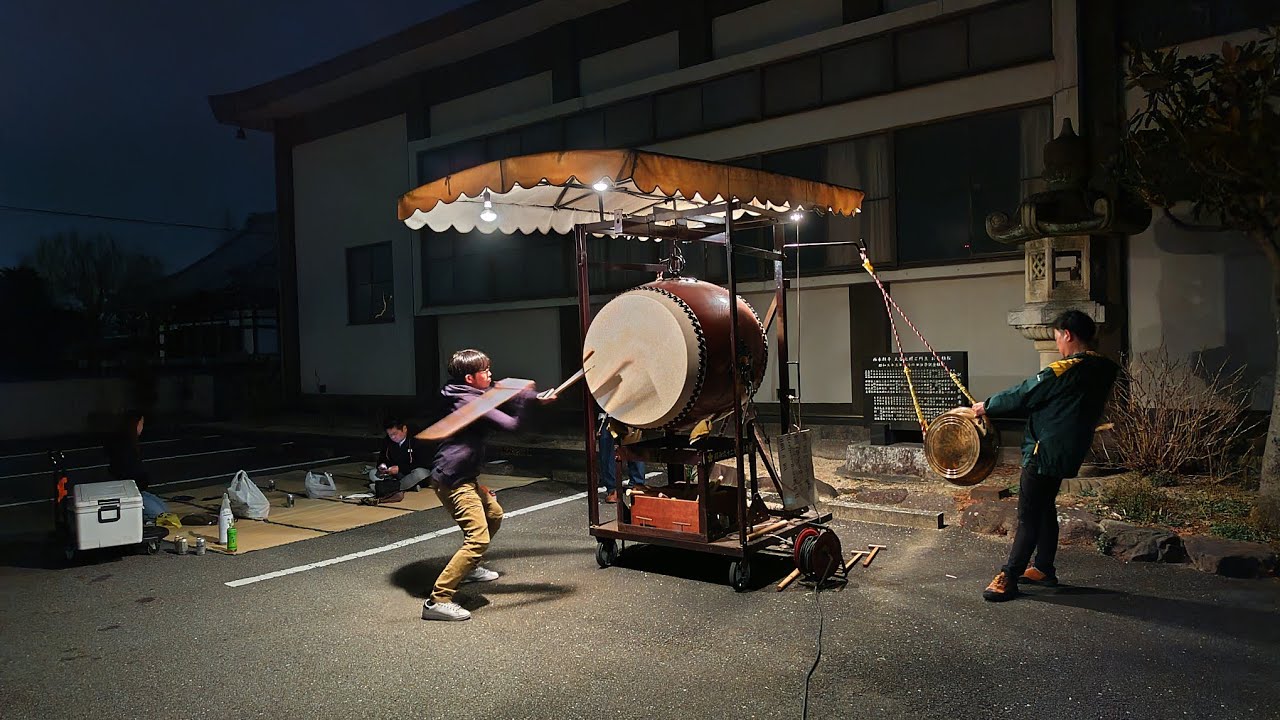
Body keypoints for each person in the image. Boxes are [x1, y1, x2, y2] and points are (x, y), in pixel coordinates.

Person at [973, 310, 1118, 602]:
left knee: (1028, 514)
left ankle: (1009, 576)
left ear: (1067, 334)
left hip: (1044, 449)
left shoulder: (1069, 368)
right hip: (1067, 448)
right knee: (1044, 507)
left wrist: (987, 406)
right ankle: (1042, 567)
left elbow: (1027, 392)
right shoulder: (1103, 369)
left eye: (1058, 339)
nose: (1059, 347)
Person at [421, 348, 550, 622]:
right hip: (454, 480)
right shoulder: (466, 402)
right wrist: (527, 399)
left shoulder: (467, 392)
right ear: (469, 378)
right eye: (485, 371)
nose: (490, 374)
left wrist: (535, 398)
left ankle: (470, 568)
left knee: (494, 514)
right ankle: (438, 600)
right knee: (477, 538)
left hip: (464, 476)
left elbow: (499, 394)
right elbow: (513, 425)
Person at [103, 411, 168, 522]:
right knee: (158, 514)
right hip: (127, 492)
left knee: (164, 509)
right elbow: (124, 473)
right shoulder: (124, 445)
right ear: (136, 424)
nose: (142, 427)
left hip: (137, 490)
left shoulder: (131, 443)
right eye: (141, 424)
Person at [366, 417, 430, 502]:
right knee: (373, 473)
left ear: (404, 429)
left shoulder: (417, 439)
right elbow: (382, 459)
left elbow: (424, 463)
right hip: (395, 475)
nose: (393, 437)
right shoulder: (388, 441)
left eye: (395, 433)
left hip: (411, 472)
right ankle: (408, 487)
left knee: (420, 473)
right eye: (390, 434)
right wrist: (382, 467)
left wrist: (400, 468)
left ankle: (386, 488)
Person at [598, 411, 645, 504]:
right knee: (606, 448)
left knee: (635, 446)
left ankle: (637, 484)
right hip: (608, 413)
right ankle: (612, 488)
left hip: (632, 410)